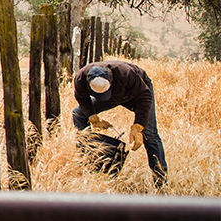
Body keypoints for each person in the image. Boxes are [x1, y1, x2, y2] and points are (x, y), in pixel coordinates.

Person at [72, 60, 169, 190]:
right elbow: (81, 97)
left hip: (136, 93)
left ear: (110, 80)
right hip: (114, 95)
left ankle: (161, 184)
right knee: (78, 114)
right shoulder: (80, 79)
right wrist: (91, 116)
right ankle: (88, 163)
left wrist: (138, 126)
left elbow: (145, 97)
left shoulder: (126, 74)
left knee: (149, 134)